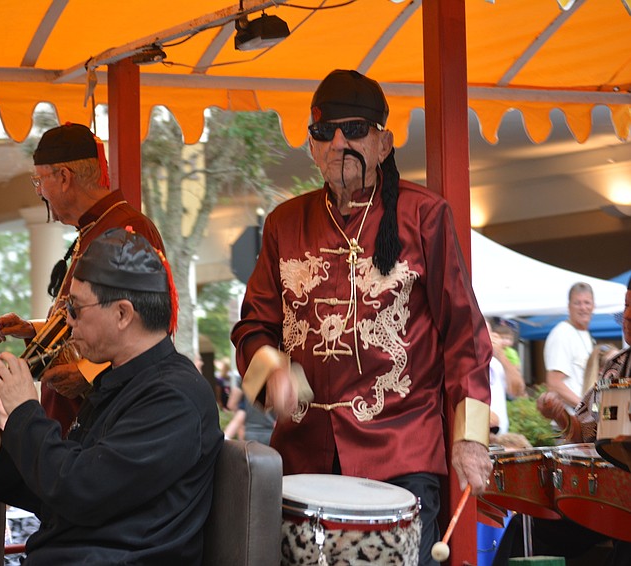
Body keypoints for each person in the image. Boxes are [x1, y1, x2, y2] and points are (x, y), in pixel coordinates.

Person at [230, 69, 493, 565]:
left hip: (400, 452)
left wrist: (470, 438)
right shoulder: (284, 224)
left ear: (383, 143)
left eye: (353, 130)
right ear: (310, 147)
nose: (337, 142)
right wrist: (270, 370)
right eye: (323, 133)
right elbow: (252, 327)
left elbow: (467, 336)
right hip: (303, 456)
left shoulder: (424, 216)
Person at [0, 227, 222, 564]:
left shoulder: (174, 397)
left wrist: (24, 408)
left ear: (122, 314)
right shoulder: (120, 383)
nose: (67, 322)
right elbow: (50, 494)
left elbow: (79, 491)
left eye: (75, 309)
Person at [0, 122, 165, 435]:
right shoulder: (93, 228)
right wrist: (32, 329)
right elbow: (92, 318)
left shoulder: (126, 228)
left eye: (39, 180)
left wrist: (87, 371)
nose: (39, 192)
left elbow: (147, 324)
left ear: (63, 177)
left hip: (109, 414)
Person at [493, 275, 631, 565]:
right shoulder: (617, 366)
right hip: (609, 495)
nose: (627, 316)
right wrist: (561, 416)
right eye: (625, 307)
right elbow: (587, 432)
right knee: (526, 528)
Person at [544, 282, 595, 411]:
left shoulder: (585, 335)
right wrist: (587, 408)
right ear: (569, 307)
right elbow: (554, 383)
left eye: (587, 303)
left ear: (594, 306)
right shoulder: (562, 334)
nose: (583, 308)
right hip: (570, 423)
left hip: (584, 420)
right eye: (577, 303)